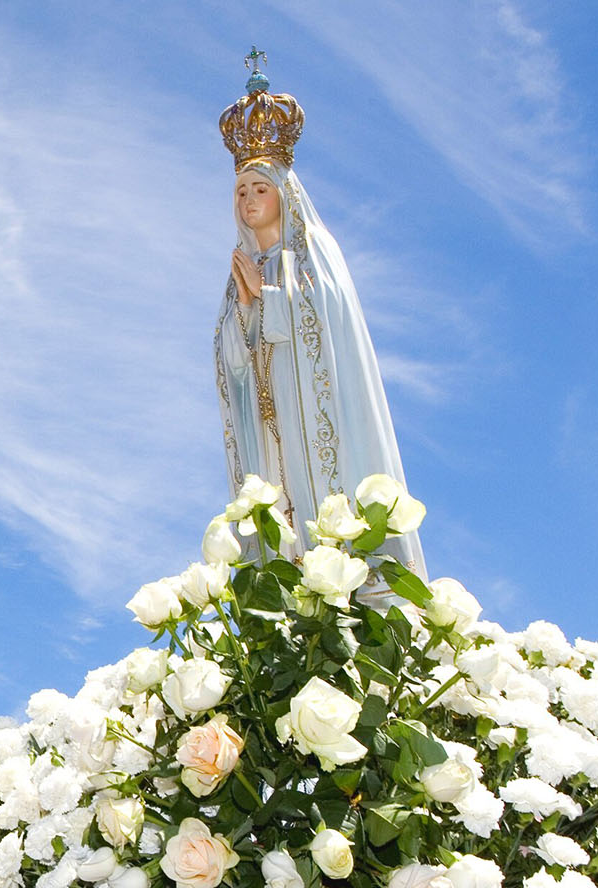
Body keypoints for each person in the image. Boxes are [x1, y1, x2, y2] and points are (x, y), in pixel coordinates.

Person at [212, 56, 425, 577]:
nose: (248, 201)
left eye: (260, 189)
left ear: (284, 195)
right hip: (269, 427)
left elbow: (331, 320)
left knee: (327, 530)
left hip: (316, 422)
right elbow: (230, 361)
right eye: (241, 191)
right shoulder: (242, 268)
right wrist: (244, 309)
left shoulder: (314, 252)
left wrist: (273, 298)